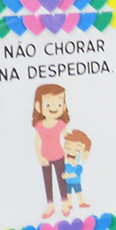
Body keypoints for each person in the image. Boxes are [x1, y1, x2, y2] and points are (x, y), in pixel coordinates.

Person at [32, 84, 71, 219]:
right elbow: (36, 142)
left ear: (63, 106)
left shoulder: (60, 124)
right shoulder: (40, 126)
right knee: (47, 180)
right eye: (48, 104)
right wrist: (39, 156)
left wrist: (71, 150)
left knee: (62, 180)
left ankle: (65, 203)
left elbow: (67, 138)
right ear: (39, 107)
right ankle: (50, 204)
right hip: (45, 157)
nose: (54, 108)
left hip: (59, 156)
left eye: (59, 103)